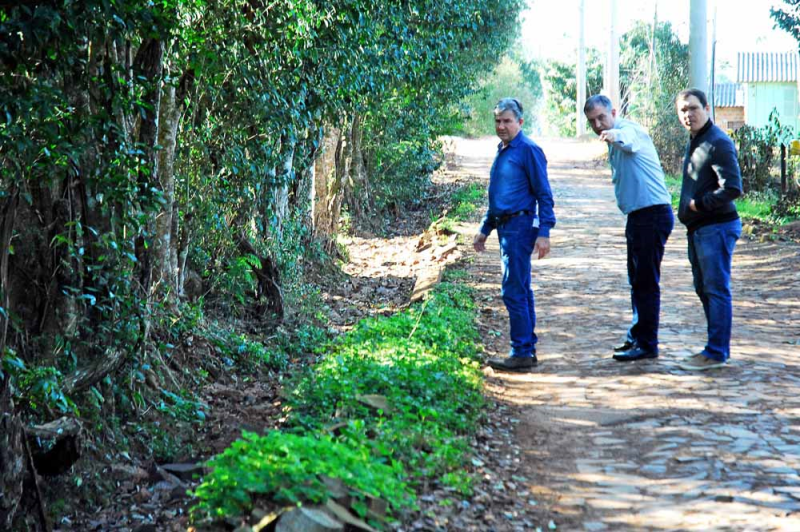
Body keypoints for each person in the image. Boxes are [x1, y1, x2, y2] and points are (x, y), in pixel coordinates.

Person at [583, 95, 674, 362]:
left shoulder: (629, 130)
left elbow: (629, 141)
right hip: (638, 217)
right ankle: (637, 335)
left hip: (652, 214)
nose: (599, 124)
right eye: (593, 121)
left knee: (646, 282)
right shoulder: (612, 136)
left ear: (614, 111)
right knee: (637, 281)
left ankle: (647, 344)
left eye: (602, 117)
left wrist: (614, 135)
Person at [473, 98, 556, 372]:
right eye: (498, 121)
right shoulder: (504, 150)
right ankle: (526, 348)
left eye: (507, 121)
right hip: (506, 227)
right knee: (520, 288)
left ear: (520, 122)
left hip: (520, 229)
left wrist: (544, 232)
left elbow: (544, 194)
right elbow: (499, 197)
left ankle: (521, 351)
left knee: (513, 290)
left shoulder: (528, 150)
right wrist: (485, 229)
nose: (501, 126)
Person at [674, 88, 743, 371]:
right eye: (683, 110)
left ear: (707, 107)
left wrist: (698, 206)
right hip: (700, 229)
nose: (689, 114)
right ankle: (714, 348)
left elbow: (733, 188)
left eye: (693, 108)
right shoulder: (696, 141)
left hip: (716, 227)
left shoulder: (717, 142)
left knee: (715, 289)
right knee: (704, 288)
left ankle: (716, 352)